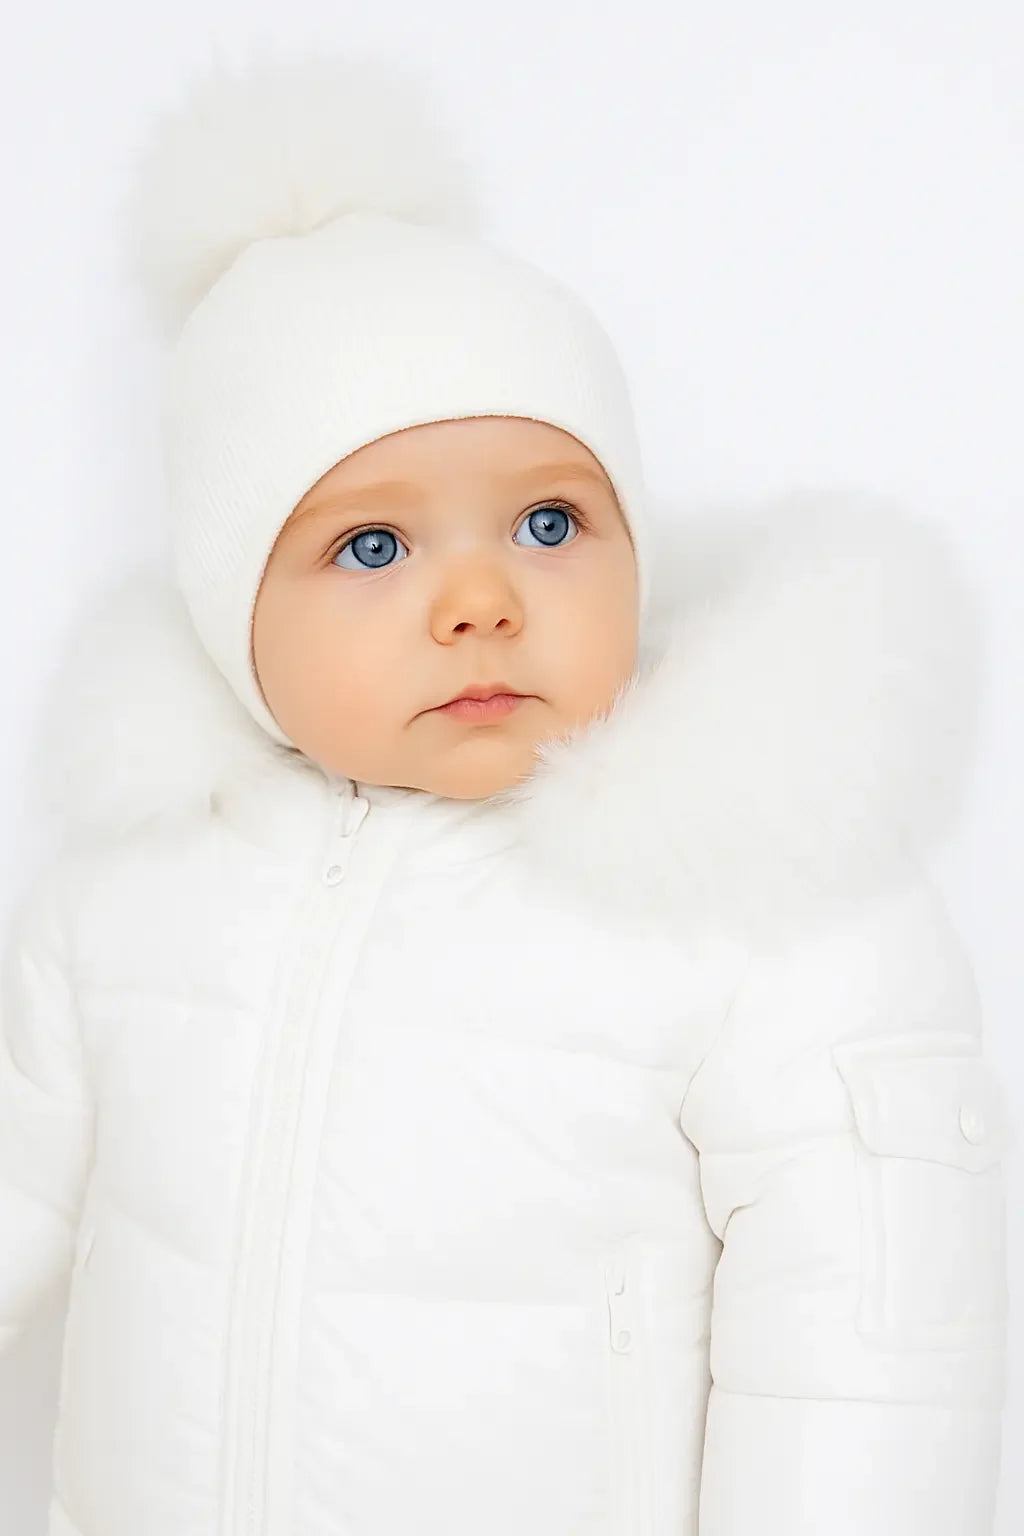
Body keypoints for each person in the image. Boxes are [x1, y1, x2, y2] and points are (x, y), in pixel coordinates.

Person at [0, 46, 1012, 1536]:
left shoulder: (767, 902)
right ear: (234, 620)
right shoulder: (135, 888)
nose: (479, 599)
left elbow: (870, 1367)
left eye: (550, 520)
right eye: (372, 547)